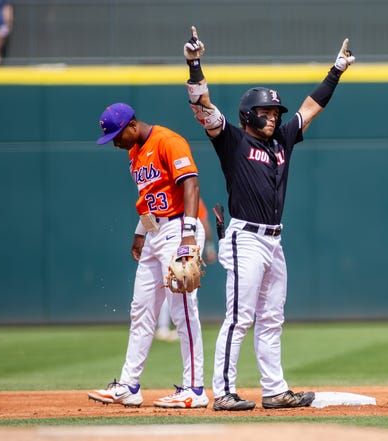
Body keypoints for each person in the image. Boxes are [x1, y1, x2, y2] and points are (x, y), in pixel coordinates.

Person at [182, 26, 355, 411]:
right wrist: (194, 64)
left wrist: (336, 71)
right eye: (266, 112)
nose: (274, 117)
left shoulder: (282, 141)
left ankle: (275, 390)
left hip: (274, 240)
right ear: (248, 115)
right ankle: (223, 392)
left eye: (275, 112)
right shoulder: (232, 140)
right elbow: (202, 107)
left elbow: (310, 108)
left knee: (273, 318)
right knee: (240, 317)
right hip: (245, 238)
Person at [87, 102, 208, 409]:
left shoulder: (168, 140)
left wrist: (189, 235)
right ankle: (129, 385)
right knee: (140, 310)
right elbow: (149, 199)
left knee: (182, 310)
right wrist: (141, 232)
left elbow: (191, 184)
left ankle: (194, 389)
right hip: (156, 233)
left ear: (131, 125)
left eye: (117, 135)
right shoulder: (134, 153)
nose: (115, 142)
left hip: (180, 227)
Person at [156, 197, 217, 342]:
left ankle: (165, 327)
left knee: (169, 284)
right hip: (185, 243)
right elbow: (204, 224)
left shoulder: (165, 196)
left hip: (166, 241)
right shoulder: (191, 197)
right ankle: (180, 326)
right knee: (186, 286)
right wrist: (209, 246)